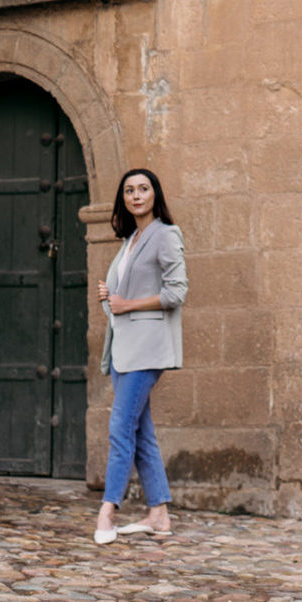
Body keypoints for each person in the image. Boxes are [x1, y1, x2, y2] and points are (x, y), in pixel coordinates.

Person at [94, 167, 188, 545]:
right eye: (129, 190)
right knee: (141, 432)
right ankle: (159, 514)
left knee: (120, 430)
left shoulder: (166, 235)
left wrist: (126, 303)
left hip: (147, 349)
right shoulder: (131, 239)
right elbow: (121, 301)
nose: (136, 195)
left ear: (155, 194)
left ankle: (107, 511)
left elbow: (176, 292)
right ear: (124, 199)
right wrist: (111, 295)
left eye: (144, 189)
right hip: (122, 349)